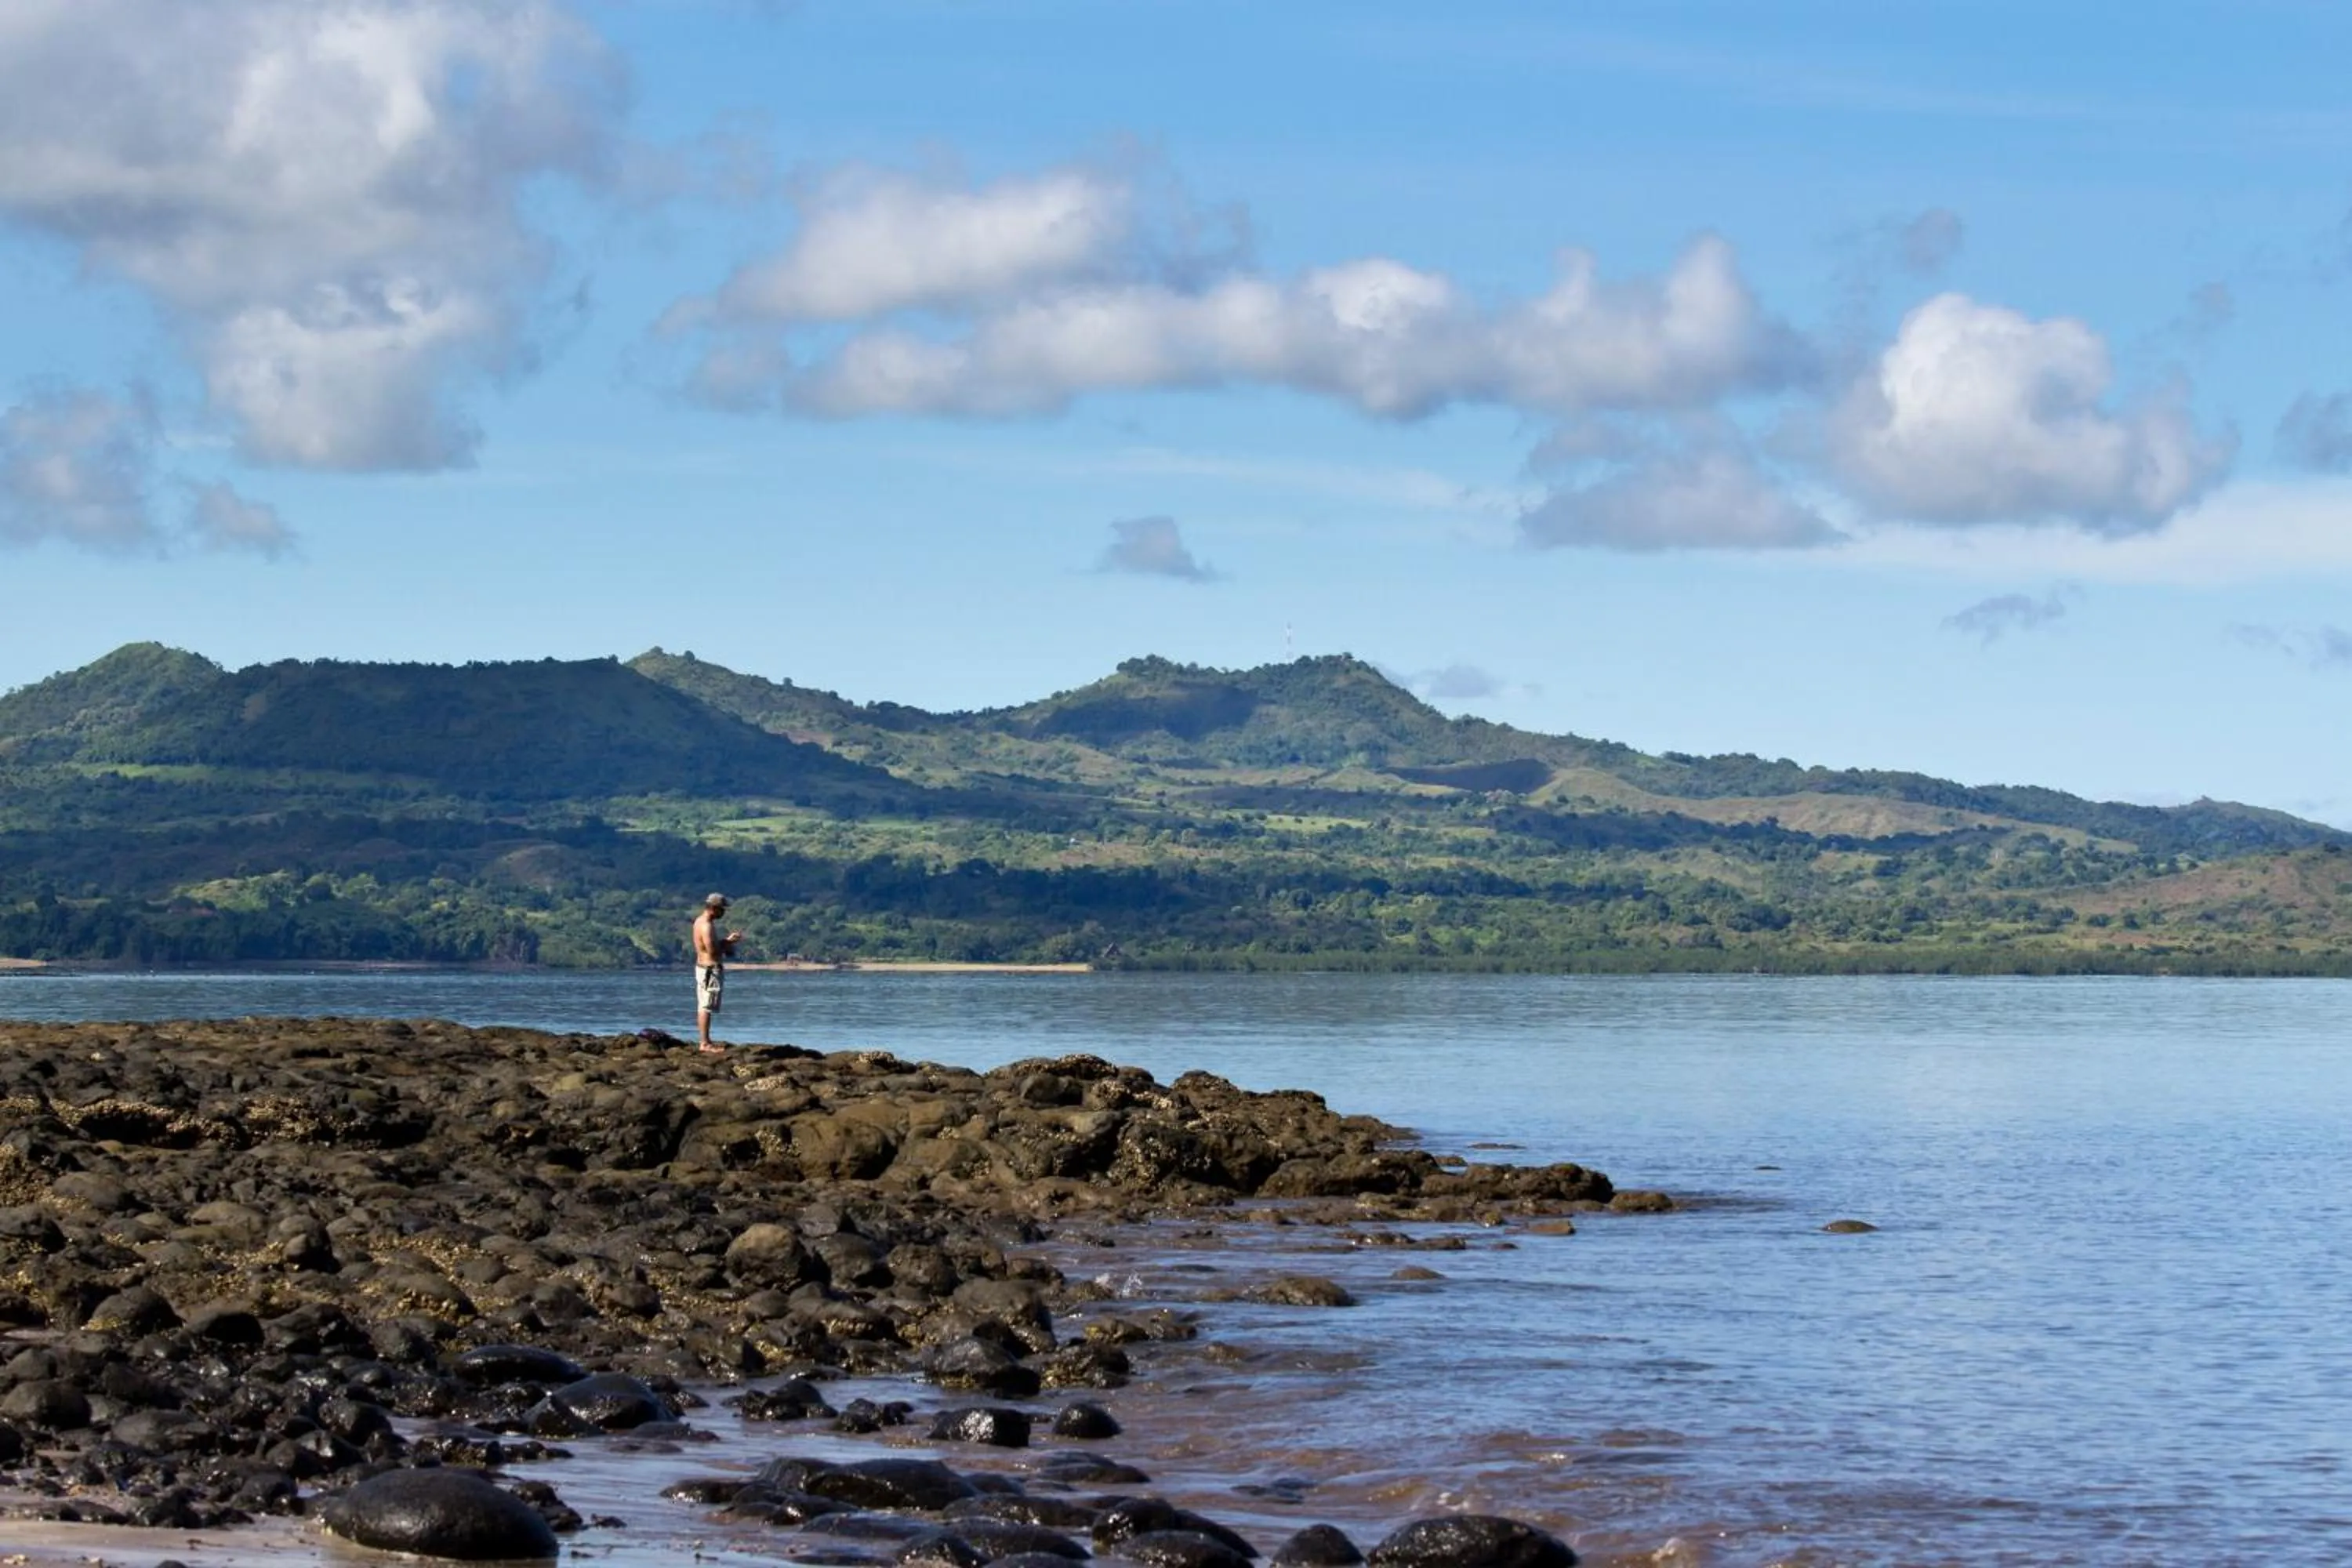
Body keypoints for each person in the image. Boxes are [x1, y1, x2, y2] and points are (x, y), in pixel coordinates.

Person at [691, 893, 740, 1053]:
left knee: (703, 1006)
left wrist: (726, 944)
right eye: (722, 909)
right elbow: (712, 952)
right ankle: (705, 1043)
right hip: (709, 970)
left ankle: (705, 1040)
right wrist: (728, 942)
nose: (723, 913)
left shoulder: (700, 921)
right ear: (713, 908)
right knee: (706, 1007)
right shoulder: (706, 925)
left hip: (703, 969)